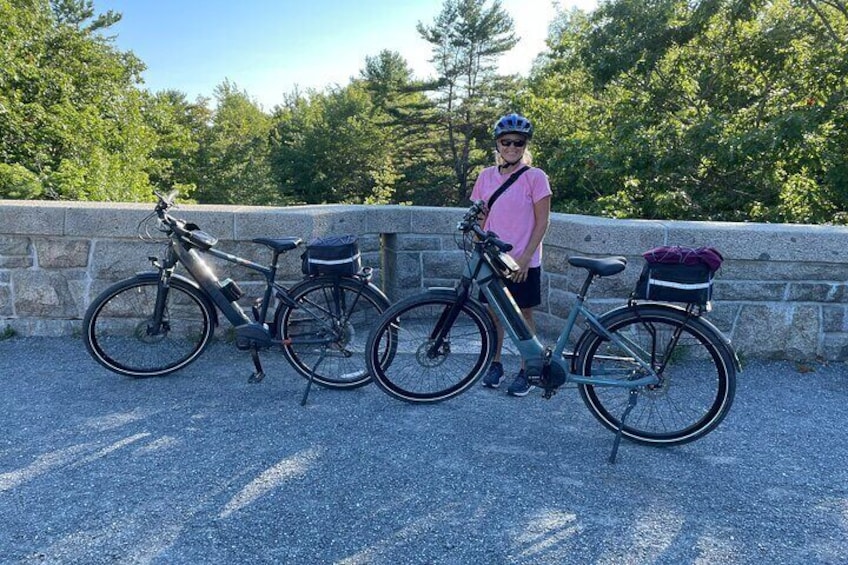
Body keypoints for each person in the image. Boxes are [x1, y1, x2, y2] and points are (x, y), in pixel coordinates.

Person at [470, 113, 552, 397]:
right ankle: (495, 364)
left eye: (519, 143)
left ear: (525, 145)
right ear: (498, 144)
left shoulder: (535, 177)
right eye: (506, 142)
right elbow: (481, 215)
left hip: (522, 259)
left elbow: (542, 222)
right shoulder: (485, 177)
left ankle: (527, 368)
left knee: (523, 314)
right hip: (492, 258)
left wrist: (527, 258)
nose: (512, 148)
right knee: (493, 314)